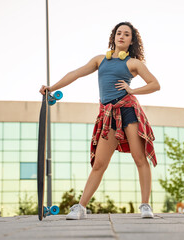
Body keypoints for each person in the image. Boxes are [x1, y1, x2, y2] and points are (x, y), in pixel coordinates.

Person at [39, 22, 160, 220]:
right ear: (113, 37)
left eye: (126, 34)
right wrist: (51, 88)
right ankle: (80, 207)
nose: (121, 36)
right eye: (118, 33)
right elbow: (75, 74)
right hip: (107, 115)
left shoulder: (133, 63)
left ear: (131, 40)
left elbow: (155, 84)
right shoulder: (99, 60)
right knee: (99, 164)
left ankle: (145, 205)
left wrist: (132, 90)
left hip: (128, 110)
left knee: (139, 158)